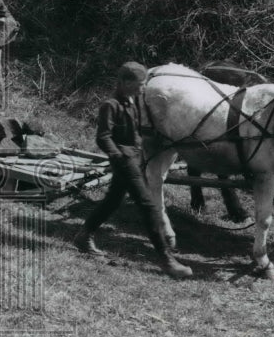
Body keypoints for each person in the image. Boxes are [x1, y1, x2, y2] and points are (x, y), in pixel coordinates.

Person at [73, 62, 193, 280]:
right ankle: (167, 260)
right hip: (125, 160)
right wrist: (118, 157)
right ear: (126, 83)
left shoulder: (133, 102)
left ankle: (84, 235)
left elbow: (135, 131)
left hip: (134, 158)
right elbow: (103, 137)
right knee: (149, 207)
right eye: (140, 84)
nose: (143, 88)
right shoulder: (110, 105)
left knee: (112, 201)